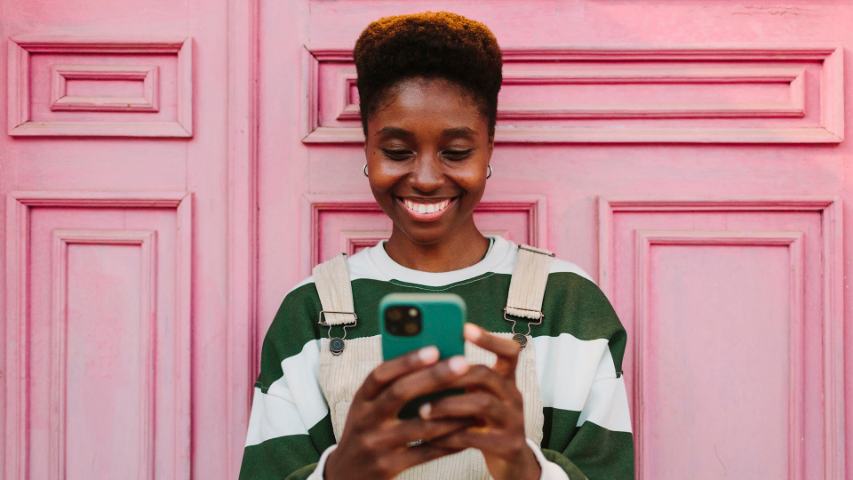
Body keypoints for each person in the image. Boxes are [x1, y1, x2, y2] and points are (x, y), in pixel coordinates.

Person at [239, 11, 634, 480]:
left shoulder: (568, 304)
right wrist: (338, 472)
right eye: (398, 151)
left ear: (489, 147)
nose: (426, 178)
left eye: (456, 152)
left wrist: (522, 466)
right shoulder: (311, 312)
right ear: (366, 148)